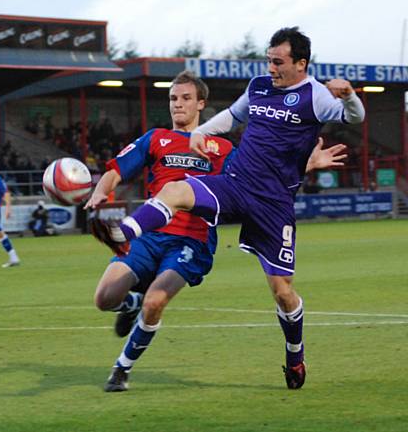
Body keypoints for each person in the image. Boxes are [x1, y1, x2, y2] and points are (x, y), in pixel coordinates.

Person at [90, 27, 364, 390]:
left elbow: (355, 117)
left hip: (273, 203)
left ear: (301, 63)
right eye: (269, 59)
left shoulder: (315, 96)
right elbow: (233, 117)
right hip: (237, 183)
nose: (271, 67)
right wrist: (201, 132)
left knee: (282, 292)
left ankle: (295, 355)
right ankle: (122, 232)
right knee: (174, 189)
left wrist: (348, 96)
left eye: (278, 61)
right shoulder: (258, 87)